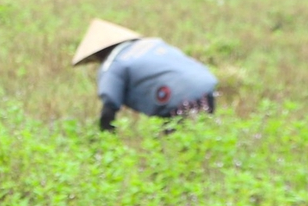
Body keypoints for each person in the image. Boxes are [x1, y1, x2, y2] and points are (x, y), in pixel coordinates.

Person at [71, 18, 218, 132]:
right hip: (206, 84)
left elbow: (110, 101)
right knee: (203, 136)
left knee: (175, 149)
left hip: (177, 98)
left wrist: (105, 134)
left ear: (99, 53)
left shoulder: (113, 64)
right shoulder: (153, 42)